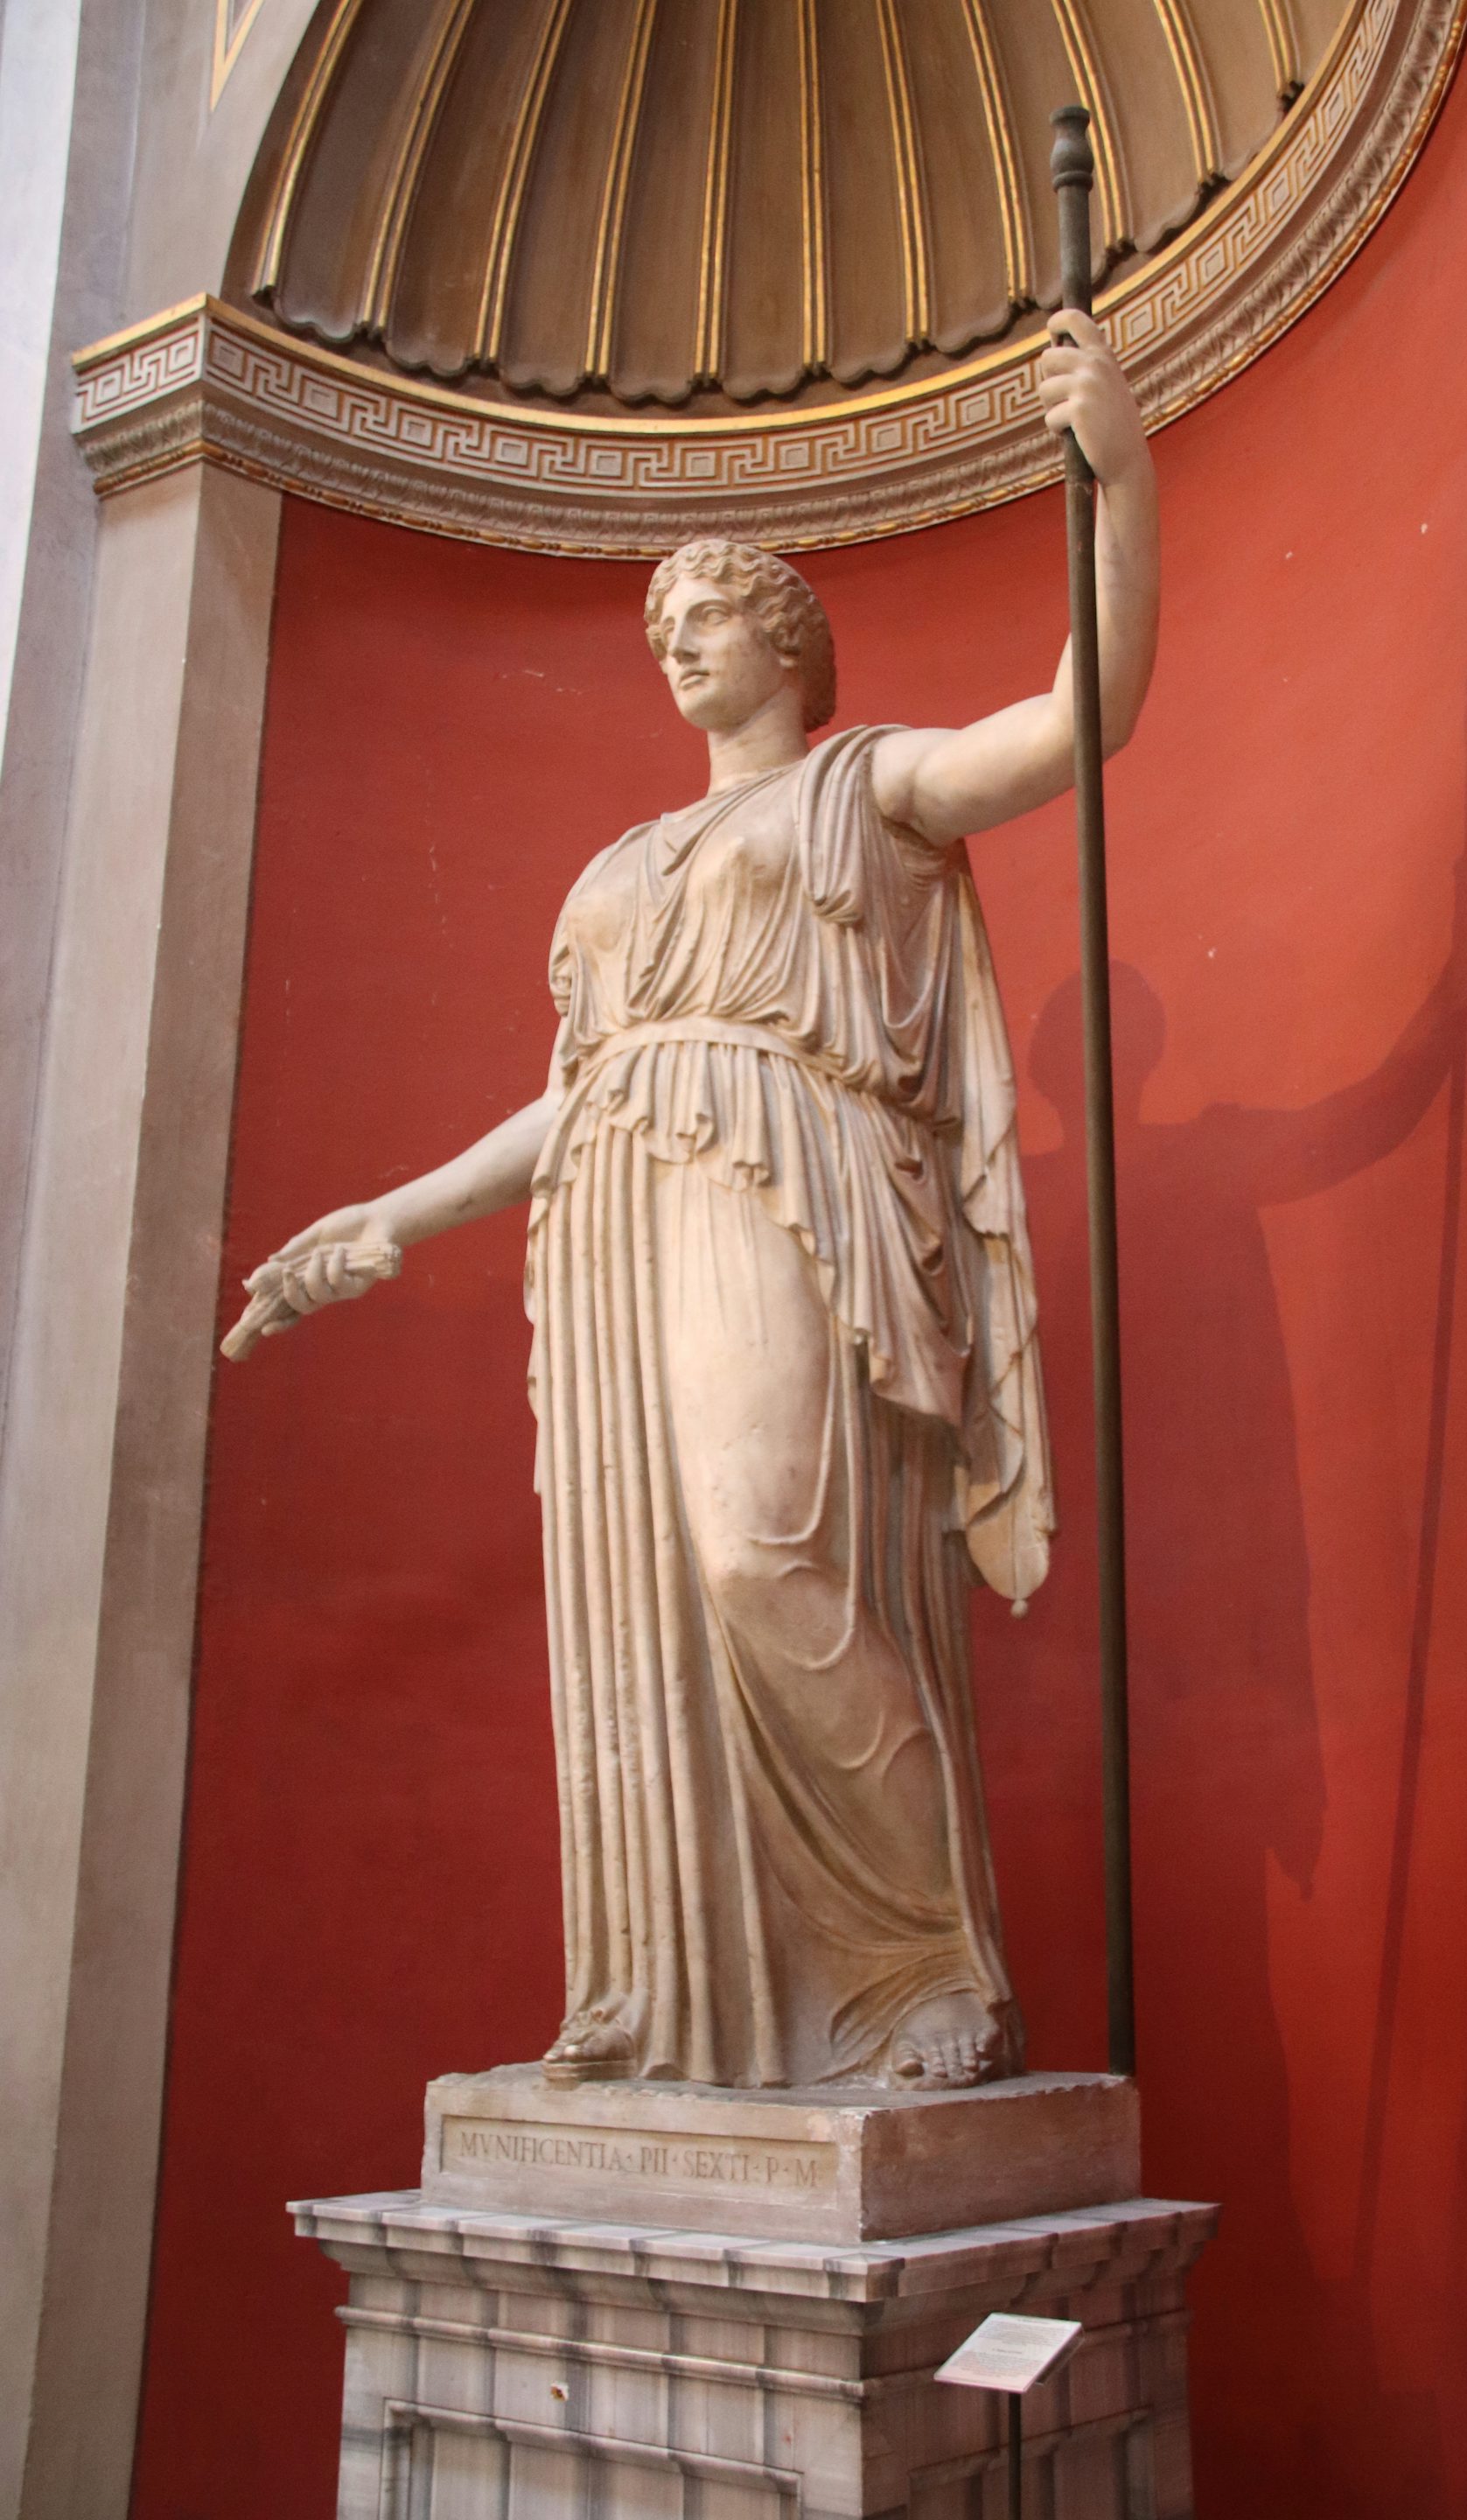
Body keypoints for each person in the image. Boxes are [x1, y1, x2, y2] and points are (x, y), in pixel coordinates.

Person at [229, 311, 1159, 2090]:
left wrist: (1120, 480)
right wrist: (394, 1219)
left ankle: (920, 1965)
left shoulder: (865, 785)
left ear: (788, 636)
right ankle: (681, 2009)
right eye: (658, 629)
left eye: (707, 615)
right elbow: (575, 1092)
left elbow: (1077, 718)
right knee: (642, 1611)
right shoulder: (613, 873)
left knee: (757, 1556)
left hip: (784, 1178)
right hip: (610, 1217)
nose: (676, 645)